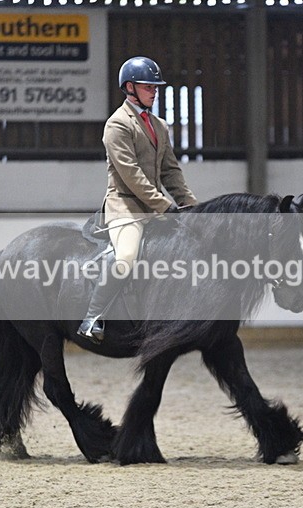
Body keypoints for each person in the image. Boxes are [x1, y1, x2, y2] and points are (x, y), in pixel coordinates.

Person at [77, 56, 198, 343]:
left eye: (156, 87)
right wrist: (165, 206)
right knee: (127, 256)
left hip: (155, 209)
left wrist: (194, 207)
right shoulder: (117, 125)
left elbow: (171, 172)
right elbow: (131, 175)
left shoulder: (159, 126)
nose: (154, 91)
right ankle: (92, 317)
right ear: (129, 87)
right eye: (148, 86)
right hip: (125, 207)